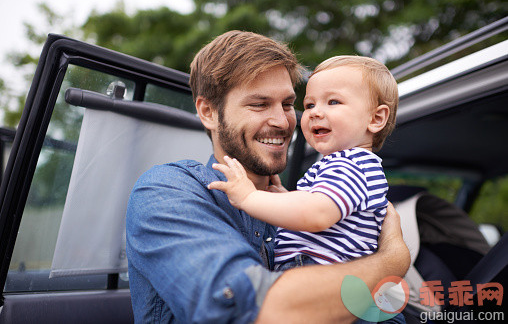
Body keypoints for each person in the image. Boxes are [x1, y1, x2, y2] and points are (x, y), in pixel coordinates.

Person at [126, 31, 410, 323]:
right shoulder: (167, 191)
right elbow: (259, 310)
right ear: (208, 112)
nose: (282, 121)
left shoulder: (301, 198)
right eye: (259, 104)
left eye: (288, 104)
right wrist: (391, 261)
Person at [208, 55, 398, 270]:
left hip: (319, 275)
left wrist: (249, 197)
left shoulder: (352, 166)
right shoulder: (344, 165)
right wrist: (286, 198)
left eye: (333, 101)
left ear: (375, 119)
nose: (315, 112)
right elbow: (322, 208)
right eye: (309, 104)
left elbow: (316, 214)